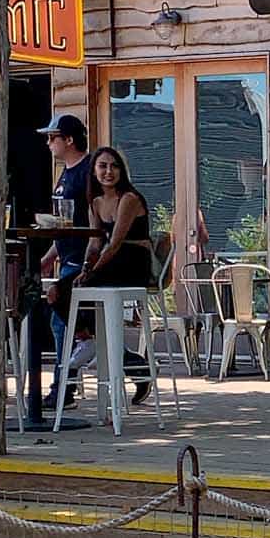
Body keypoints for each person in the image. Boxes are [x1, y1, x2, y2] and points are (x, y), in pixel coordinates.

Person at [78, 145, 155, 404]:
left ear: (121, 170)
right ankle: (128, 360)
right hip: (109, 263)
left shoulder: (129, 199)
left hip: (132, 261)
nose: (108, 171)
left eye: (114, 166)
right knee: (59, 292)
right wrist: (85, 268)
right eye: (103, 166)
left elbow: (115, 243)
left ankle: (90, 340)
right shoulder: (95, 202)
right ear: (94, 171)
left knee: (83, 289)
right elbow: (95, 243)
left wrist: (93, 272)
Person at [38, 114, 94, 407]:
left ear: (69, 139)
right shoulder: (64, 173)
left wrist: (88, 261)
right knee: (72, 324)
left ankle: (63, 388)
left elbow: (90, 221)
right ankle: (136, 365)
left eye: (52, 138)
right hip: (67, 255)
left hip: (84, 258)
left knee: (62, 319)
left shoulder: (88, 171)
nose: (48, 144)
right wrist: (48, 257)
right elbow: (64, 223)